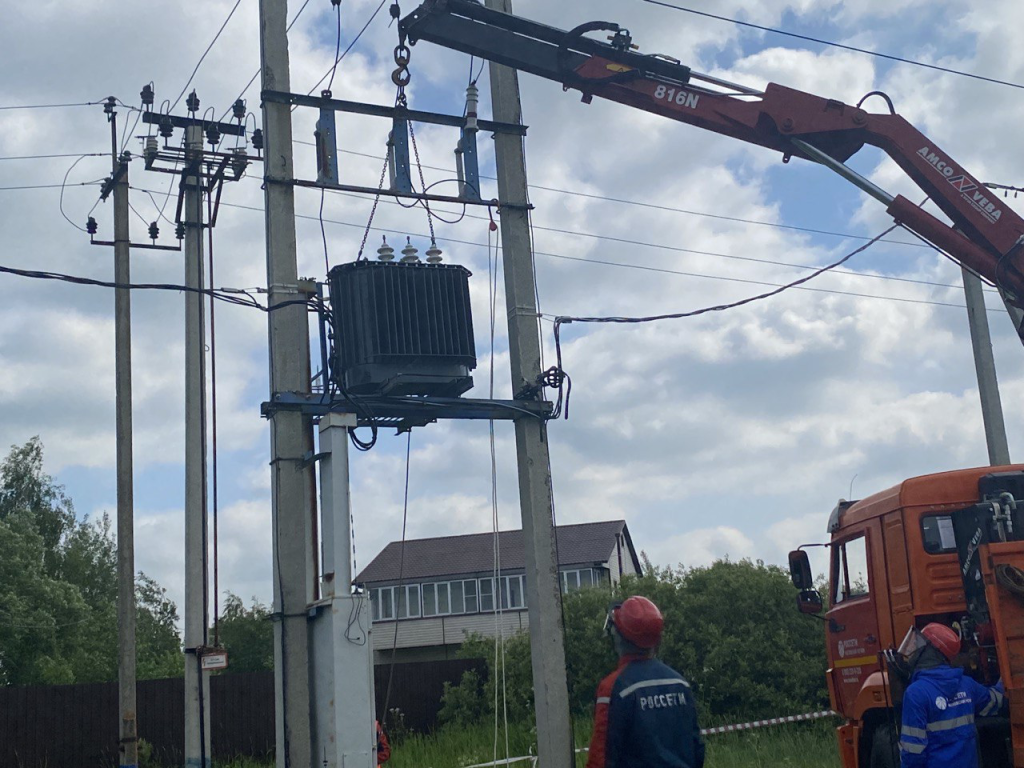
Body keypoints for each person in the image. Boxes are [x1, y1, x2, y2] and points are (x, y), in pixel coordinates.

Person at [585, 596, 705, 768]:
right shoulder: (680, 684)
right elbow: (696, 748)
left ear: (618, 636)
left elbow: (601, 758)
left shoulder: (613, 687)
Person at [898, 623, 1005, 768]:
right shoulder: (967, 685)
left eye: (919, 643)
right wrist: (1006, 676)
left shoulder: (915, 693)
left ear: (930, 651)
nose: (914, 649)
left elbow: (913, 754)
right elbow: (995, 702)